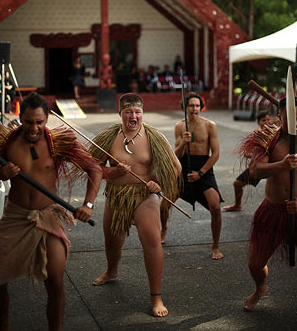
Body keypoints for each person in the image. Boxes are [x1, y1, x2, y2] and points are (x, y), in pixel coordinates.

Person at [0, 92, 103, 331]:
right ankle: (3, 326)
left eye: (39, 122)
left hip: (48, 215)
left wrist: (88, 205)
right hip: (16, 215)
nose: (34, 128)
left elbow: (95, 169)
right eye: (28, 122)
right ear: (20, 117)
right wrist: (1, 173)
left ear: (47, 118)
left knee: (56, 281)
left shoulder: (58, 142)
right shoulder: (7, 142)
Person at [89, 93, 182, 317]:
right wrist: (113, 171)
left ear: (143, 113)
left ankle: (156, 297)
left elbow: (175, 167)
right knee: (112, 241)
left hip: (144, 195)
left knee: (151, 240)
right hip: (117, 195)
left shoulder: (154, 137)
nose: (134, 116)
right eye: (128, 112)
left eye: (137, 112)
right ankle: (111, 270)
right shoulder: (108, 136)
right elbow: (92, 167)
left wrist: (158, 184)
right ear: (120, 113)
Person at [237, 97, 297, 311]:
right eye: (291, 118)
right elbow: (255, 170)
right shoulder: (268, 138)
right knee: (255, 264)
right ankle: (260, 288)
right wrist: (282, 164)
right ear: (280, 117)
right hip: (272, 210)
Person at [161, 92, 224, 259]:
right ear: (185, 107)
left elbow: (216, 154)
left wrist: (201, 173)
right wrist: (183, 142)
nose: (194, 108)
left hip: (204, 167)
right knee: (163, 204)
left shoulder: (210, 125)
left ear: (201, 107)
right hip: (184, 166)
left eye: (197, 105)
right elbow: (176, 155)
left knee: (215, 207)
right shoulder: (179, 126)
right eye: (191, 105)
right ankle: (163, 228)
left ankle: (215, 246)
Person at [222, 111, 274, 212]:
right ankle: (237, 205)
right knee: (237, 183)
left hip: (274, 166)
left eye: (268, 119)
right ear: (258, 122)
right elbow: (246, 153)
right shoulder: (255, 136)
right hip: (259, 166)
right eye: (264, 120)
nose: (267, 122)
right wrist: (258, 156)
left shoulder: (276, 133)